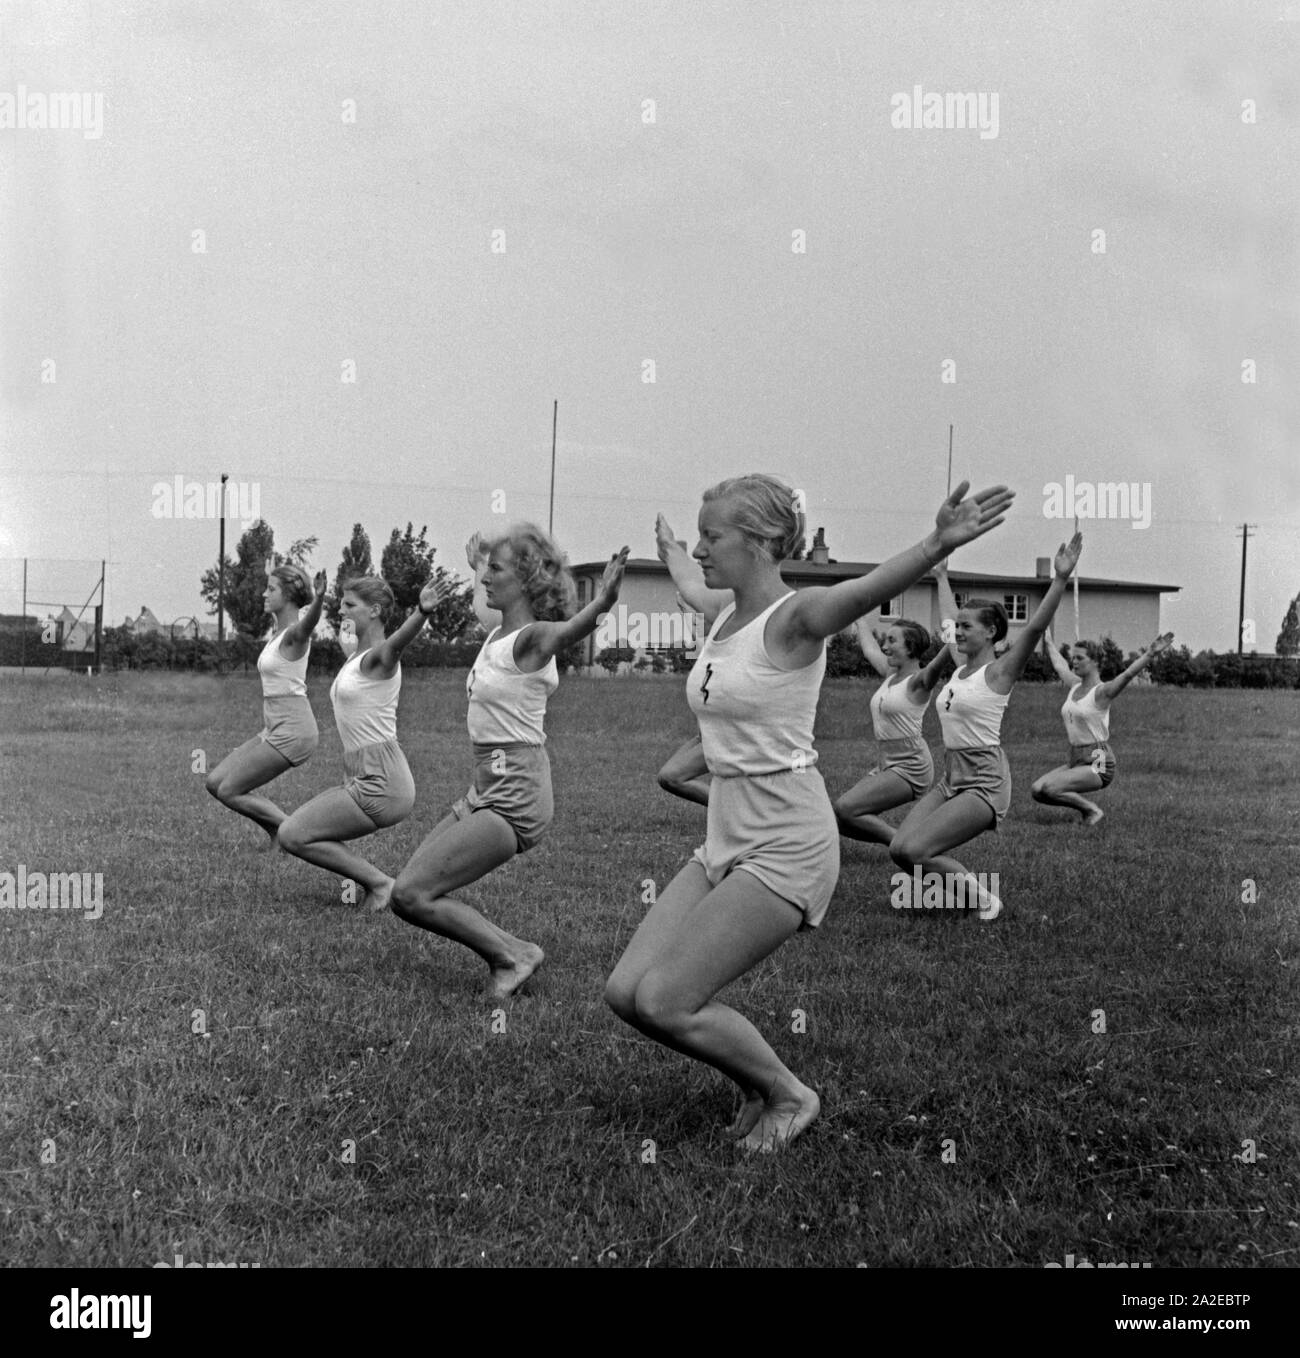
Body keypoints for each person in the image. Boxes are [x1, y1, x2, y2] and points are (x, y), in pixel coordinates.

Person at [605, 475, 1014, 1151]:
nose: (703, 548)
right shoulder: (722, 611)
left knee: (665, 1001)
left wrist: (936, 543)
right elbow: (686, 582)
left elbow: (866, 590)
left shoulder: (795, 620)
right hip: (726, 835)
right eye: (699, 534)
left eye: (714, 535)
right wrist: (671, 547)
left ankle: (790, 1095)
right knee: (626, 993)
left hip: (788, 839)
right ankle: (753, 1081)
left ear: (762, 541)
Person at [390, 525, 628, 1000]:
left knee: (410, 894)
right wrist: (478, 556)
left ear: (524, 579)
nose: (484, 579)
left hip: (515, 793)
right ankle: (515, 952)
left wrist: (602, 604)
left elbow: (569, 630)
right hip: (487, 786)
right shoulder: (497, 633)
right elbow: (486, 594)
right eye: (485, 569)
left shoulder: (531, 639)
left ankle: (513, 956)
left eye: (495, 570)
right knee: (407, 891)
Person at [888, 533, 1084, 920]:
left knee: (915, 852)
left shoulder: (999, 672)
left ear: (991, 632)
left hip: (985, 782)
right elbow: (948, 617)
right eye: (957, 627)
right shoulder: (959, 670)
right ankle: (961, 896)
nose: (958, 633)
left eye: (966, 628)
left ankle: (983, 898)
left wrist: (1059, 579)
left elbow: (1032, 629)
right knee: (899, 849)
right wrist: (942, 576)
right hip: (951, 778)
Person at [277, 574, 451, 910]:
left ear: (374, 610)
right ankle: (378, 883)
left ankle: (380, 884)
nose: (341, 610)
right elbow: (358, 669)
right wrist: (349, 644)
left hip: (382, 780)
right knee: (294, 833)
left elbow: (395, 644)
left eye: (349, 605)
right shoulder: (358, 659)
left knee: (292, 834)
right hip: (363, 774)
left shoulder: (379, 659)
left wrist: (422, 612)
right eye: (341, 603)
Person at [832, 560, 959, 843]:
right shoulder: (890, 674)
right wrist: (858, 614)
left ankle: (902, 844)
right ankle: (903, 844)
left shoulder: (919, 682)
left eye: (892, 641)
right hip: (887, 761)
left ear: (911, 648)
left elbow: (950, 649)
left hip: (911, 765)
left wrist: (941, 578)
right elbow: (868, 648)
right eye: (885, 641)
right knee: (839, 817)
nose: (885, 646)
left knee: (845, 808)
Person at [205, 564, 326, 846]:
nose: (264, 593)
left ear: (290, 595)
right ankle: (277, 833)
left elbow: (308, 626)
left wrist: (319, 599)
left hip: (294, 730)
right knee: (215, 782)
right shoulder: (277, 636)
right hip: (273, 726)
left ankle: (290, 832)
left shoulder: (295, 635)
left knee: (230, 790)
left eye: (271, 589)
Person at [1031, 628, 1174, 825]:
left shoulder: (1103, 692)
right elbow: (1059, 665)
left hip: (1099, 760)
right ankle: (1086, 810)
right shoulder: (1074, 685)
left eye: (1080, 658)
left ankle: (1092, 811)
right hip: (1076, 758)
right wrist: (1047, 640)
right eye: (1074, 658)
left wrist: (1150, 654)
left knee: (1049, 788)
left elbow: (1128, 674)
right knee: (1037, 790)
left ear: (1095, 662)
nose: (1074, 662)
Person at [652, 513, 732, 806]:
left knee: (671, 776)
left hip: (731, 733)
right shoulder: (709, 636)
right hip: (709, 730)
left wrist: (672, 549)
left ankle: (738, 811)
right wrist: (670, 548)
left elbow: (695, 588)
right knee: (669, 776)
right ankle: (732, 810)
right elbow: (691, 588)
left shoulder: (736, 614)